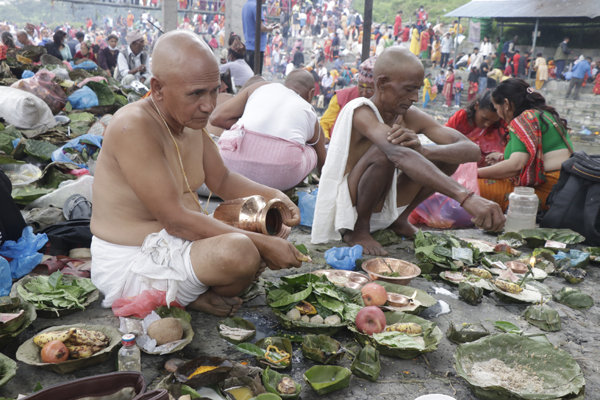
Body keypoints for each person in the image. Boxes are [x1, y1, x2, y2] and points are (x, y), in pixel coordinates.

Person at [91, 30, 305, 318]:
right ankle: (185, 297)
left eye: (214, 90)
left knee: (262, 223)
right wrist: (264, 245)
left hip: (177, 244)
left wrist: (277, 197)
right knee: (242, 252)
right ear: (157, 89)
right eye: (196, 94)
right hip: (133, 260)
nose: (209, 105)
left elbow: (223, 180)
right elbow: (176, 222)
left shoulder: (189, 121)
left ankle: (188, 293)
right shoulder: (134, 126)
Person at [310, 47, 504, 255]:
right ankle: (358, 230)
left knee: (447, 157)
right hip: (349, 207)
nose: (415, 97)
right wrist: (466, 198)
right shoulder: (360, 110)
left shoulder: (410, 115)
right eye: (409, 89)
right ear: (383, 83)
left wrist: (426, 151)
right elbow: (397, 153)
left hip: (380, 200)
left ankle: (399, 219)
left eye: (418, 89)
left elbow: (472, 151)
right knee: (386, 150)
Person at [212, 70, 327, 191]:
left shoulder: (260, 87)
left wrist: (247, 128)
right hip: (281, 177)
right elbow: (322, 157)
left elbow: (216, 119)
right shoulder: (309, 111)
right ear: (311, 93)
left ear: (285, 84)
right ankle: (284, 192)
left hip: (231, 164)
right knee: (311, 149)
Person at [478, 79, 573, 211]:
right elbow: (535, 158)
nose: (498, 114)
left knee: (468, 186)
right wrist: (501, 158)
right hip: (562, 188)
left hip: (544, 192)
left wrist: (475, 173)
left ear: (506, 103)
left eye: (496, 108)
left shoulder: (524, 119)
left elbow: (516, 166)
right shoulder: (545, 114)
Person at [320, 56, 376, 140]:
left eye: (369, 89)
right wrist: (325, 137)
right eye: (360, 87)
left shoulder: (388, 102)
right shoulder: (342, 96)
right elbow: (325, 123)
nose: (364, 93)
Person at [445, 91, 507, 168]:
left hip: (488, 171)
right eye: (485, 118)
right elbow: (443, 139)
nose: (487, 124)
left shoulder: (503, 124)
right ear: (477, 106)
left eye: (493, 121)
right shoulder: (461, 118)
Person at [242, 0, 278, 75]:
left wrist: (267, 27)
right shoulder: (256, 7)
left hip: (249, 48)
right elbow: (261, 27)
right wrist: (270, 28)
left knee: (250, 78)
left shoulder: (246, 6)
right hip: (256, 48)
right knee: (256, 79)